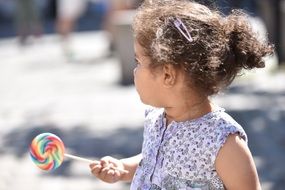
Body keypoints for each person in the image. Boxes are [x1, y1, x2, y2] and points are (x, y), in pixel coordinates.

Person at [89, 0, 273, 189]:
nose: (135, 71)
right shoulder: (157, 120)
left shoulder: (222, 141)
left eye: (138, 62)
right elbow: (154, 162)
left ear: (168, 75)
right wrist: (124, 168)